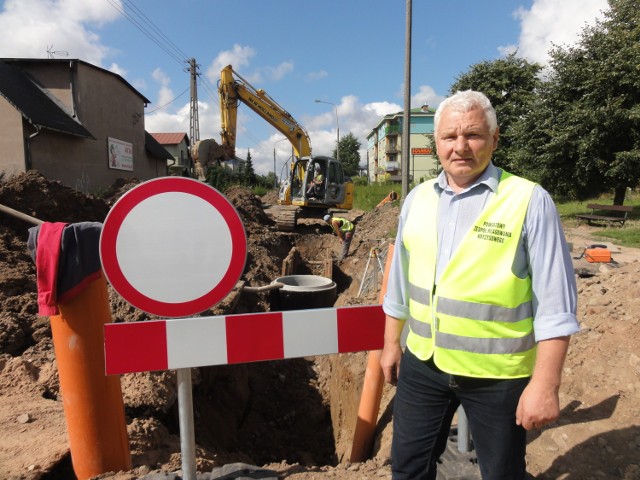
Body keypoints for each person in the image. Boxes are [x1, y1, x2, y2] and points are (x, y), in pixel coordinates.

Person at [380, 90, 579, 480]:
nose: (460, 147)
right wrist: (391, 344)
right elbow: (399, 285)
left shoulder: (528, 200)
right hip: (424, 365)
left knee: (502, 473)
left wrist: (545, 383)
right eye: (449, 137)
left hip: (498, 377)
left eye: (472, 135)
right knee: (408, 469)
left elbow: (556, 305)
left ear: (494, 138)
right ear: (435, 143)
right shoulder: (416, 200)